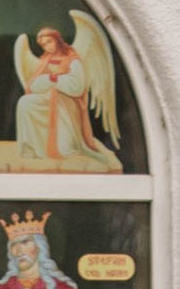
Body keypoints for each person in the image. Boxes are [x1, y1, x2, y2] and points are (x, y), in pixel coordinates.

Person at [12, 14, 122, 172]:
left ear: (57, 39)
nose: (47, 47)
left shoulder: (73, 59)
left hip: (67, 104)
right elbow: (33, 85)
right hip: (47, 100)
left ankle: (65, 146)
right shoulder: (45, 61)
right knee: (24, 102)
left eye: (49, 42)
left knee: (60, 103)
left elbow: (77, 86)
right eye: (43, 45)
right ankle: (34, 149)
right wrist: (48, 80)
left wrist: (54, 80)